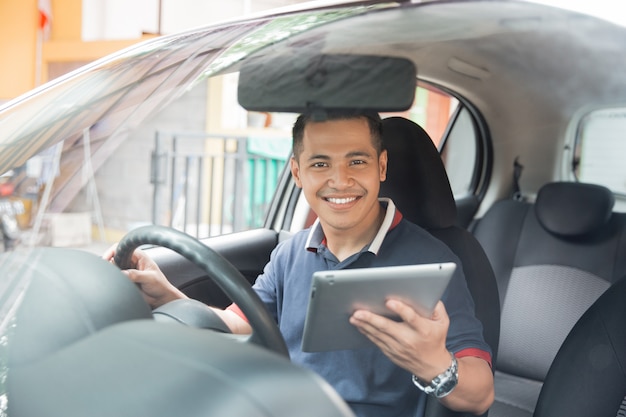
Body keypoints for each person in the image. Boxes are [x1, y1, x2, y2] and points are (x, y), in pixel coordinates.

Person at [104, 110, 494, 417]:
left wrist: (435, 365)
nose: (339, 181)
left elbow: (480, 394)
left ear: (381, 167)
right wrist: (169, 296)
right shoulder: (291, 252)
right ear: (297, 172)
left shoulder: (433, 262)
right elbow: (244, 322)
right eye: (321, 164)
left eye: (356, 161)